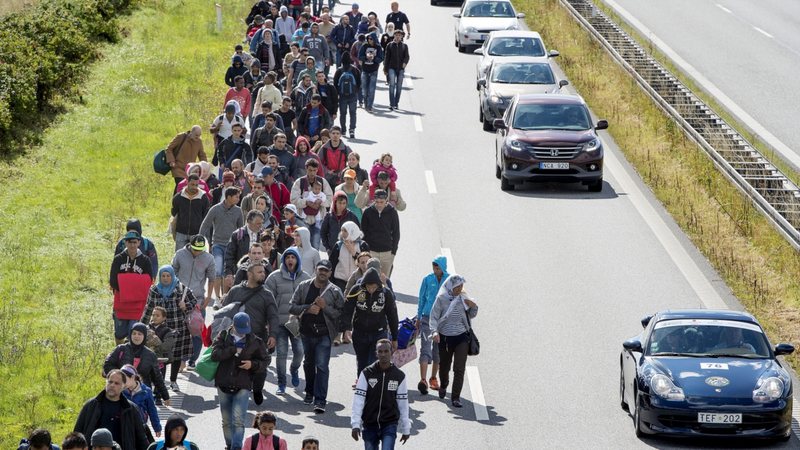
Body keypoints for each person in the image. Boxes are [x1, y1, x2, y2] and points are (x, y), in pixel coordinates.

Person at [288, 260, 345, 413]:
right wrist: (307, 309)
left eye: (326, 270)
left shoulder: (335, 291)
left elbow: (341, 314)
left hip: (324, 335)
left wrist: (324, 307)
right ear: (315, 269)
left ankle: (320, 400)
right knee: (308, 364)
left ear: (330, 273)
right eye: (320, 269)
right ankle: (309, 392)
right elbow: (292, 306)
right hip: (306, 333)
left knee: (321, 366)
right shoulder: (304, 286)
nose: (323, 272)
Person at [211, 312, 269, 450]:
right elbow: (215, 355)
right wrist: (232, 350)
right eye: (240, 330)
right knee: (226, 421)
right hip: (223, 383)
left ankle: (236, 448)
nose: (243, 333)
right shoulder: (223, 336)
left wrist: (252, 365)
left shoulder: (255, 341)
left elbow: (265, 360)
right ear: (233, 325)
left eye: (245, 330)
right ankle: (229, 445)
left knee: (238, 421)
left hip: (243, 384)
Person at [223, 264, 279, 405]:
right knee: (237, 366)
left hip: (259, 338)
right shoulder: (235, 291)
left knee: (260, 367)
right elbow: (225, 312)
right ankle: (239, 393)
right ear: (249, 274)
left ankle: (258, 389)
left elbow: (273, 316)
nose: (263, 274)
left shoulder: (267, 294)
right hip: (237, 337)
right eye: (259, 272)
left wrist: (273, 335)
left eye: (263, 272)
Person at [141, 266, 198, 391]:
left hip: (179, 328)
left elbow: (194, 301)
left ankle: (173, 381)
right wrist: (141, 326)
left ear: (172, 276)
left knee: (176, 356)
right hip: (160, 329)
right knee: (161, 355)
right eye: (163, 276)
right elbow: (149, 308)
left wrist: (185, 306)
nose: (166, 278)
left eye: (168, 276)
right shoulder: (154, 290)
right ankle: (160, 384)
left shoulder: (181, 289)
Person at [265, 247, 310, 395]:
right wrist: (268, 321)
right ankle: (282, 383)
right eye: (287, 257)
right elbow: (268, 300)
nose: (290, 260)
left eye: (293, 257)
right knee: (282, 353)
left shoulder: (306, 277)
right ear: (284, 260)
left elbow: (309, 299)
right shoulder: (274, 277)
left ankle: (294, 369)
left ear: (297, 260)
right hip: (279, 323)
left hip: (298, 323)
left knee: (299, 352)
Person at [351, 339, 410, 449]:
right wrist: (355, 424)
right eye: (380, 351)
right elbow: (358, 400)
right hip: (369, 424)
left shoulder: (399, 376)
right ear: (376, 353)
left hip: (389, 424)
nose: (383, 354)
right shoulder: (366, 373)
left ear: (392, 352)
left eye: (386, 351)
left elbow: (403, 403)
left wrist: (406, 428)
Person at [429, 275, 478, 408]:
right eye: (457, 287)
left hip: (461, 337)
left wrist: (473, 306)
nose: (460, 289)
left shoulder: (463, 298)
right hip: (445, 338)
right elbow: (433, 317)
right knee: (444, 366)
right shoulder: (441, 299)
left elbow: (472, 314)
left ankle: (455, 397)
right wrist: (434, 332)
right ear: (450, 287)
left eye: (461, 286)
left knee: (459, 368)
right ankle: (444, 385)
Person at [74, 370, 150, 450]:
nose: (112, 385)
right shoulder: (91, 406)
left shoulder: (131, 409)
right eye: (110, 382)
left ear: (123, 386)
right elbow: (77, 435)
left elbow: (141, 439)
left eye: (116, 383)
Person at [343, 268, 398, 376]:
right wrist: (346, 328)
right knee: (362, 363)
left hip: (379, 333)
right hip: (360, 333)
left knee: (374, 362)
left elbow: (392, 315)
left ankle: (373, 388)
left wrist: (395, 338)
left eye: (374, 287)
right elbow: (347, 310)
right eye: (368, 287)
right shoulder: (356, 290)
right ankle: (362, 387)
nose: (371, 289)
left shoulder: (386, 293)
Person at [103, 322, 170, 406]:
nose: (136, 336)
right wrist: (119, 377)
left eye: (139, 334)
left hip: (141, 394)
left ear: (144, 336)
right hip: (121, 391)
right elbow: (108, 364)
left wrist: (165, 396)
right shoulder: (121, 349)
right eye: (134, 333)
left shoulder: (150, 355)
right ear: (130, 334)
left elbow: (157, 377)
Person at [172, 234, 215, 366]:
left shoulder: (209, 258)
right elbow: (172, 273)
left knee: (197, 331)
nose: (197, 252)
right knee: (180, 331)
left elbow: (212, 278)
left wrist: (208, 298)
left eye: (200, 249)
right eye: (195, 249)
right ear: (190, 245)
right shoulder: (180, 254)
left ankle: (192, 360)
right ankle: (180, 359)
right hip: (179, 298)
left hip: (198, 299)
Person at [110, 231, 154, 345]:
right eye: (129, 242)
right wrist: (130, 287)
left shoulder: (145, 260)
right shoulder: (118, 259)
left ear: (139, 242)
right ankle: (119, 353)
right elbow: (113, 280)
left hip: (137, 305)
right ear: (125, 243)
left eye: (135, 242)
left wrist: (128, 284)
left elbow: (149, 280)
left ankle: (131, 357)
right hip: (121, 303)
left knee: (133, 332)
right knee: (119, 333)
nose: (132, 245)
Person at [199, 186, 243, 299]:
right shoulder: (215, 209)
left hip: (231, 246)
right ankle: (217, 298)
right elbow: (205, 224)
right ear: (228, 197)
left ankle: (225, 297)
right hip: (218, 244)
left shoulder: (238, 211)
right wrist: (200, 240)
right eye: (236, 197)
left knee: (227, 272)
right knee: (217, 271)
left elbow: (241, 229)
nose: (238, 199)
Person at [416, 256, 448, 395]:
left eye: (438, 267)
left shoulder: (449, 280)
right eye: (434, 267)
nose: (435, 270)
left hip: (442, 319)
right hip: (427, 318)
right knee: (425, 348)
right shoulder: (427, 279)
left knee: (438, 350)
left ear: (443, 267)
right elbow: (421, 298)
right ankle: (423, 380)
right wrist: (418, 316)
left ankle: (434, 378)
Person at [360, 190, 400, 277]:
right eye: (377, 202)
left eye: (381, 202)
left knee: (384, 280)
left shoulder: (393, 212)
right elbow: (363, 232)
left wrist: (393, 252)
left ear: (386, 200)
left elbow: (396, 233)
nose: (379, 204)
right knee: (370, 278)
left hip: (387, 252)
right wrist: (365, 251)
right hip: (371, 251)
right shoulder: (367, 212)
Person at [120, 365, 161, 443]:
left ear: (133, 377)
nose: (122, 382)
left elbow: (152, 410)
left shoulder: (146, 391)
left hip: (141, 425)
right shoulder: (121, 391)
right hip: (125, 426)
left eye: (124, 379)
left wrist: (157, 427)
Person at [225, 210, 266, 284]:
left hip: (260, 273)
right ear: (249, 221)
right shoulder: (238, 235)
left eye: (261, 223)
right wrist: (229, 273)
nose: (260, 226)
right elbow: (229, 255)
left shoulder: (263, 234)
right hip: (242, 273)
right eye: (258, 224)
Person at [172, 175, 211, 251]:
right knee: (179, 257)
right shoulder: (178, 197)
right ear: (187, 182)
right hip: (181, 232)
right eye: (192, 184)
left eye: (196, 185)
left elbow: (205, 216)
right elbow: (174, 213)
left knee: (196, 258)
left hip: (196, 233)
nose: (194, 187)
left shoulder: (203, 198)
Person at [333, 53, 360, 138]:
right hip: (353, 95)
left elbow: (335, 83)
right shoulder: (355, 70)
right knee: (353, 113)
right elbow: (359, 82)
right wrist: (355, 91)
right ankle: (352, 130)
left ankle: (343, 130)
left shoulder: (339, 70)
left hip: (342, 96)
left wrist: (338, 93)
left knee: (343, 113)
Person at [383, 30, 409, 111]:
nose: (398, 36)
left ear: (401, 37)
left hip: (400, 69)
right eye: (396, 35)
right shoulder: (389, 45)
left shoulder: (404, 46)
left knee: (399, 86)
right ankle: (391, 104)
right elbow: (386, 57)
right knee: (392, 85)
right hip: (391, 67)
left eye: (399, 35)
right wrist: (385, 68)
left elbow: (407, 56)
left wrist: (404, 63)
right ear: (394, 36)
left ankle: (396, 103)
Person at [357, 33, 383, 112]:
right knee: (364, 89)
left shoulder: (378, 47)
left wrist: (374, 58)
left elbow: (381, 58)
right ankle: (365, 102)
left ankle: (369, 106)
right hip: (365, 70)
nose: (369, 40)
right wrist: (366, 58)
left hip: (374, 70)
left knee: (372, 89)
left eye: (371, 39)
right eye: (368, 38)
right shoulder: (364, 46)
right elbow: (359, 56)